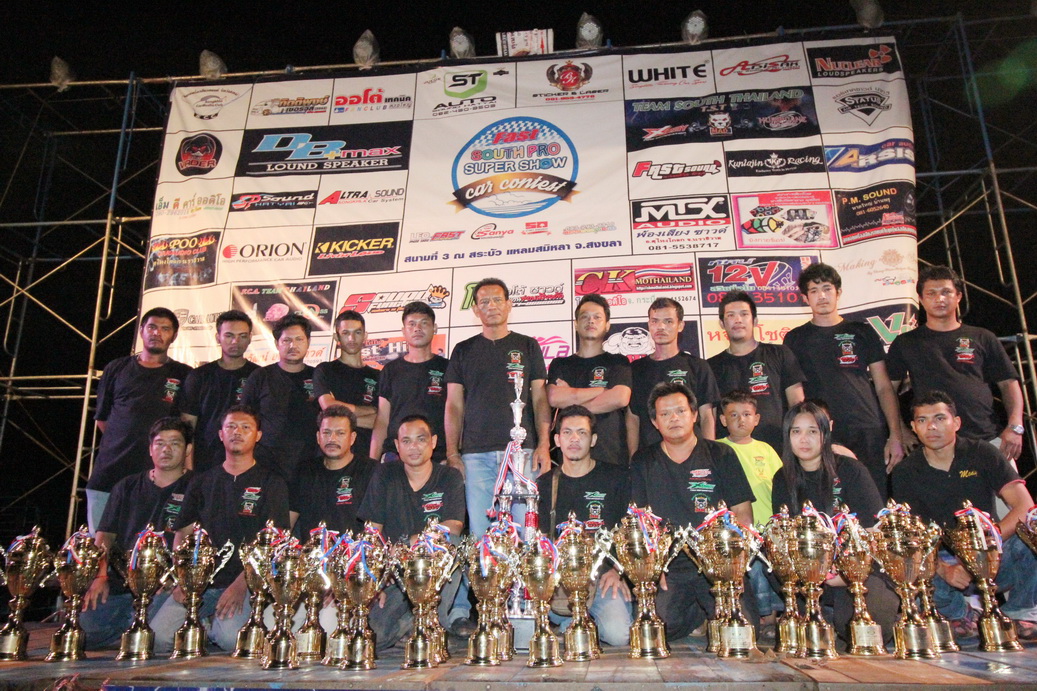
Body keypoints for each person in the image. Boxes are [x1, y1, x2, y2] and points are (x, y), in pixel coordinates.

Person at [444, 277, 551, 635]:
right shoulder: (463, 350)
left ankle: (524, 614)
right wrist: (452, 452)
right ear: (475, 309)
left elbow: (540, 399)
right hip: (475, 456)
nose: (491, 306)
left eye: (497, 299)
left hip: (521, 453)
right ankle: (487, 613)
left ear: (509, 304)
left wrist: (544, 444)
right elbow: (453, 404)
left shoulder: (527, 346)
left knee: (524, 534)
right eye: (484, 301)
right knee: (481, 536)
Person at [891, 390, 1037, 639]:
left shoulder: (982, 453)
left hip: (992, 554)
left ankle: (1020, 613)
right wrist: (944, 570)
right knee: (905, 561)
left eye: (940, 418)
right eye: (923, 420)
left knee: (1033, 526)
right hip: (943, 563)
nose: (931, 427)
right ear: (914, 428)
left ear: (956, 423)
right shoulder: (905, 471)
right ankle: (962, 615)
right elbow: (911, 538)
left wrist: (981, 550)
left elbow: (1025, 506)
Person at [150, 405, 290, 653]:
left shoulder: (272, 483)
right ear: (220, 434)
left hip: (244, 584)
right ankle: (204, 626)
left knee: (230, 640)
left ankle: (210, 627)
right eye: (231, 427)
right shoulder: (201, 482)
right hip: (201, 584)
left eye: (245, 427)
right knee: (158, 639)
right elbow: (183, 533)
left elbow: (273, 544)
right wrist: (185, 579)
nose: (237, 432)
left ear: (258, 435)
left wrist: (242, 585)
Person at [630, 382, 758, 639]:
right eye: (665, 414)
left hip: (716, 563)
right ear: (655, 422)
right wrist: (652, 568)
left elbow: (742, 513)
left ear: (694, 415)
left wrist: (734, 564)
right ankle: (699, 614)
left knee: (741, 631)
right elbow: (640, 521)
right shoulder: (643, 461)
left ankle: (711, 611)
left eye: (680, 411)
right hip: (670, 566)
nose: (674, 418)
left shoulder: (721, 454)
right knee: (656, 630)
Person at [770, 401, 898, 645]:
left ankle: (841, 612)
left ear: (826, 433)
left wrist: (845, 572)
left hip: (858, 569)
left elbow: (874, 531)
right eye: (796, 431)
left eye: (812, 431)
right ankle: (818, 612)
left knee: (866, 629)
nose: (804, 439)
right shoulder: (783, 478)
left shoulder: (851, 470)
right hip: (810, 571)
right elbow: (784, 536)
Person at [335, 415, 466, 651]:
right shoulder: (385, 474)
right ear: (397, 446)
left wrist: (408, 542)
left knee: (451, 544)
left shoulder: (449, 476)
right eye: (406, 441)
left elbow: (453, 527)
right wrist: (374, 582)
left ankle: (433, 625)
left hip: (433, 570)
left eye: (420, 439)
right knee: (374, 635)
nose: (413, 447)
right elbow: (372, 534)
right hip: (395, 575)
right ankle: (415, 626)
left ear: (434, 442)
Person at [783, 263, 904, 497]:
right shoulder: (795, 339)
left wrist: (895, 435)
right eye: (814, 291)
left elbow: (883, 387)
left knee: (873, 500)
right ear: (805, 298)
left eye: (827, 289)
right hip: (823, 431)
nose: (822, 296)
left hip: (868, 428)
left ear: (838, 292)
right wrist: (806, 432)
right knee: (827, 500)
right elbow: (795, 394)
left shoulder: (862, 331)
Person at [887, 265, 1025, 464]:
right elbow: (887, 390)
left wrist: (1015, 427)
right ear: (921, 299)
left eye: (946, 292)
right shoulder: (905, 343)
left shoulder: (982, 337)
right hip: (935, 446)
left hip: (988, 439)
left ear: (958, 296)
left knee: (1010, 486)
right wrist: (899, 431)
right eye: (931, 293)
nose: (939, 299)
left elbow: (1008, 384)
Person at [80, 417, 194, 649]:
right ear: (150, 449)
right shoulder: (126, 486)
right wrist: (99, 576)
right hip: (122, 585)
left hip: (165, 588)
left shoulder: (198, 487)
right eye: (160, 443)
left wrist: (179, 579)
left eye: (175, 443)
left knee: (153, 634)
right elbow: (105, 535)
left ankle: (135, 630)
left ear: (188, 449)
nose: (166, 449)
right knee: (85, 631)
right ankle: (126, 630)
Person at [87, 307, 192, 532]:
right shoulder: (116, 368)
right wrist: (126, 439)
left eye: (165, 329)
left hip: (157, 478)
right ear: (142, 330)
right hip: (110, 472)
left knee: (148, 544)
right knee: (99, 544)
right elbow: (103, 420)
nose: (157, 333)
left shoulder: (184, 374)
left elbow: (186, 424)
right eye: (152, 327)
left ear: (174, 336)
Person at [536, 405, 632, 645]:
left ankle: (581, 623)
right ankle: (573, 622)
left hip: (603, 577)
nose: (574, 439)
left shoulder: (617, 478)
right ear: (557, 440)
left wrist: (618, 571)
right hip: (559, 586)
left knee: (619, 635)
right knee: (524, 629)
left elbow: (631, 532)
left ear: (593, 440)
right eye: (567, 432)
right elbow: (539, 541)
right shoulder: (544, 485)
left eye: (582, 432)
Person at [708, 290, 805, 452]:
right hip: (729, 455)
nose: (738, 320)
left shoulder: (780, 354)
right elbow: (709, 416)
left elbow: (797, 403)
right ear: (722, 323)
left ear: (755, 320)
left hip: (777, 451)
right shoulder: (710, 366)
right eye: (731, 315)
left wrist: (798, 444)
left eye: (744, 314)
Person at [626, 297, 718, 458]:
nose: (661, 327)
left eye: (668, 321)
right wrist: (633, 458)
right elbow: (632, 418)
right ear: (649, 325)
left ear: (680, 325)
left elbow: (707, 416)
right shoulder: (636, 369)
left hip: (693, 455)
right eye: (655, 321)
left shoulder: (697, 366)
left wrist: (709, 456)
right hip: (650, 458)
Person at [547, 294, 632, 467]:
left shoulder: (618, 362)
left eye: (597, 317)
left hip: (610, 455)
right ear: (576, 324)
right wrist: (602, 391)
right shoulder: (560, 364)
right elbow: (554, 397)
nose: (591, 321)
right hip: (570, 459)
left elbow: (620, 398)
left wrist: (571, 401)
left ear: (607, 325)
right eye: (584, 317)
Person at [240, 313, 319, 481]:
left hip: (309, 463)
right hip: (267, 464)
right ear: (277, 344)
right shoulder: (260, 377)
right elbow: (244, 419)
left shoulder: (318, 377)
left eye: (299, 339)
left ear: (308, 342)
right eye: (286, 340)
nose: (293, 345)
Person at [179, 310, 258, 473]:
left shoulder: (259, 376)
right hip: (205, 463)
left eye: (242, 336)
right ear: (218, 337)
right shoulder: (199, 376)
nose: (235, 341)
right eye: (229, 335)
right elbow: (187, 426)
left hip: (247, 465)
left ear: (250, 338)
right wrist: (188, 468)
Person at [369, 302, 448, 462]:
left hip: (438, 456)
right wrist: (372, 461)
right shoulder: (390, 370)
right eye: (412, 324)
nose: (417, 328)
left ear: (434, 328)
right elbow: (382, 419)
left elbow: (457, 413)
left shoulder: (448, 367)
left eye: (424, 323)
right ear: (403, 331)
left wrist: (454, 454)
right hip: (395, 456)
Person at [290, 405, 377, 537]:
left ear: (352, 438)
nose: (332, 439)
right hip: (311, 549)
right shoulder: (304, 471)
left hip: (355, 549)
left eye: (340, 433)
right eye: (326, 432)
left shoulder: (371, 471)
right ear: (318, 437)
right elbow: (288, 522)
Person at [314, 310, 379, 458]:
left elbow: (380, 421)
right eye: (345, 333)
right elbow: (329, 407)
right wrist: (370, 410)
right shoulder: (325, 370)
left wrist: (338, 422)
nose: (352, 338)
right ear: (336, 337)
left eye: (357, 332)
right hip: (331, 457)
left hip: (365, 456)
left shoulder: (378, 376)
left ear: (365, 336)